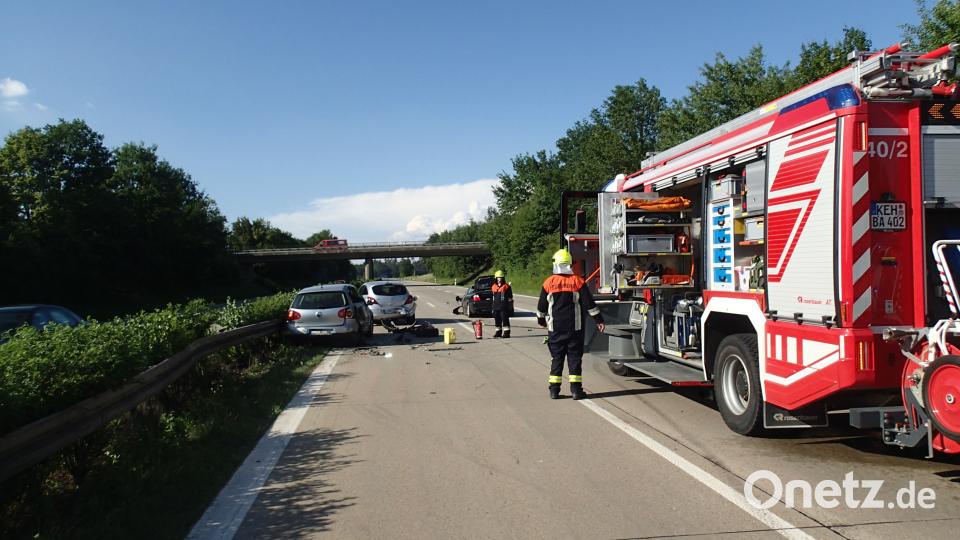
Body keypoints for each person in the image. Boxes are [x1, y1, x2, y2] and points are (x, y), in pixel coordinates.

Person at [537, 248, 605, 400]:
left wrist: (541, 321)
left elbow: (541, 307)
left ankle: (554, 390)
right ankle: (576, 391)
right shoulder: (577, 281)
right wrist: (599, 320)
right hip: (575, 328)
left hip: (555, 329)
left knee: (557, 358)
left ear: (555, 264)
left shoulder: (549, 282)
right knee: (574, 359)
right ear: (569, 265)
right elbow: (589, 304)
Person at [491, 270, 513, 338]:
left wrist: (510, 307)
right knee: (497, 319)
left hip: (504, 306)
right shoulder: (493, 286)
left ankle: (506, 333)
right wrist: (493, 306)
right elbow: (493, 297)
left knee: (505, 319)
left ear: (503, 278)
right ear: (496, 278)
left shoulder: (507, 287)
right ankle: (498, 332)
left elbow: (510, 298)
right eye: (498, 277)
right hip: (496, 306)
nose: (499, 279)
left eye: (500, 277)